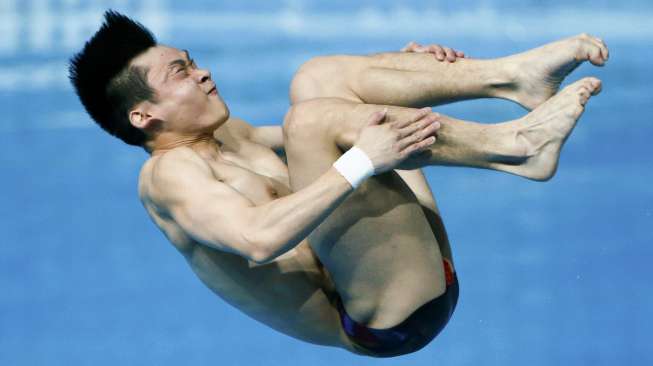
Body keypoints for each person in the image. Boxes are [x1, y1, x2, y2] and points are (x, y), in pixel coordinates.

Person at [69, 10, 607, 357]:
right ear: (144, 116)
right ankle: (516, 148)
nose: (203, 73)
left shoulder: (225, 133)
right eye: (181, 73)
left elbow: (339, 114)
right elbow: (257, 238)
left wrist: (402, 76)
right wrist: (359, 163)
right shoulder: (169, 178)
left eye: (192, 63)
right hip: (385, 316)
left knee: (315, 81)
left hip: (402, 260)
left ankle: (513, 78)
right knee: (314, 123)